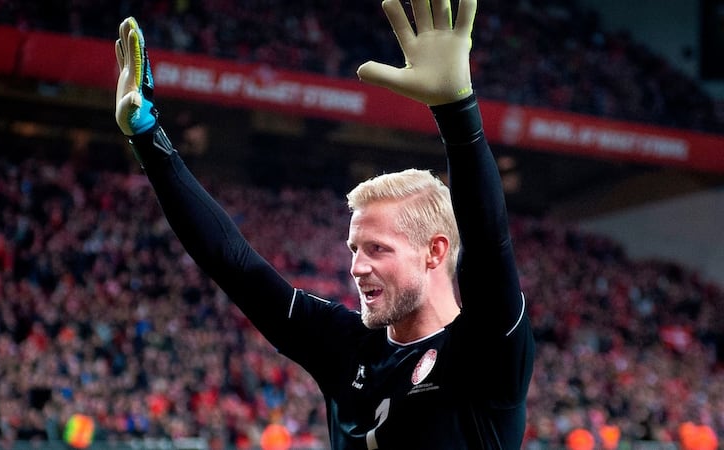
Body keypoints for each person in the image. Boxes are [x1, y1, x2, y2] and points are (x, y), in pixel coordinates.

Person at [114, 0, 534, 447]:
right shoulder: (345, 346)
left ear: (435, 251)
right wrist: (148, 140)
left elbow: (489, 247)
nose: (357, 267)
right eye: (355, 249)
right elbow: (234, 264)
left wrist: (457, 112)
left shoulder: (486, 351)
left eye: (378, 249)